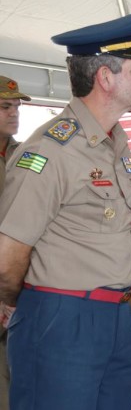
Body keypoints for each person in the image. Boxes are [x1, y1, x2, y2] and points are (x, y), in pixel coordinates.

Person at [0, 11, 131, 410]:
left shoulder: (114, 143)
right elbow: (7, 257)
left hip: (116, 317)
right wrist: (25, 303)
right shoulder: (50, 150)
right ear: (105, 77)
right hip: (61, 316)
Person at [0, 75, 30, 410]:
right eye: (5, 106)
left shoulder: (24, 155)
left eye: (16, 106)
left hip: (18, 287)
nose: (14, 113)